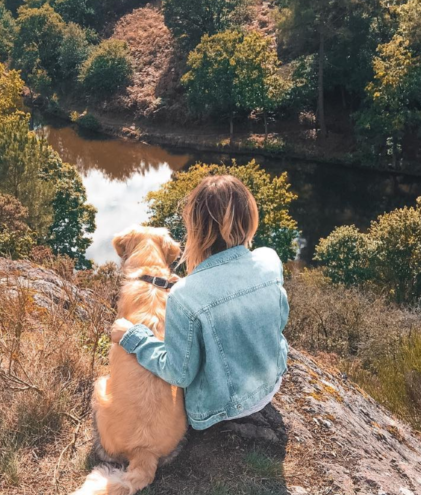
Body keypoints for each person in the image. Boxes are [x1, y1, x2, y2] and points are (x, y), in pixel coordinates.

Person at [111, 174, 289, 431]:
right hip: (272, 383)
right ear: (250, 218)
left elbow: (178, 374)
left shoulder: (185, 295)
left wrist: (133, 336)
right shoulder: (270, 260)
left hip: (219, 409)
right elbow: (277, 322)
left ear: (196, 228)